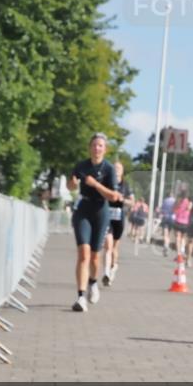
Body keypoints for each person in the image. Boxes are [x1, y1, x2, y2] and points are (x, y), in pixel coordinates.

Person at [67, 134, 120, 312]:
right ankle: (81, 297)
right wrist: (73, 183)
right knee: (83, 253)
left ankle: (93, 282)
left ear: (105, 149)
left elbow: (113, 196)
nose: (97, 148)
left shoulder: (109, 169)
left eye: (100, 146)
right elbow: (71, 186)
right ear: (89, 147)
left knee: (95, 256)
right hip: (83, 209)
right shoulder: (81, 165)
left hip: (101, 211)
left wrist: (96, 184)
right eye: (94, 145)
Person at [103, 161, 134, 286]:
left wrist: (123, 200)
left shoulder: (126, 185)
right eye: (114, 168)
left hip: (119, 217)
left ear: (122, 171)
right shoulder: (107, 182)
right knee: (107, 245)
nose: (116, 170)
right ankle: (106, 272)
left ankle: (113, 267)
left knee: (115, 247)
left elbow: (132, 202)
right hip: (107, 217)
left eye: (119, 168)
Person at [172, 186, 192, 257]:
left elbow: (173, 209)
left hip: (177, 221)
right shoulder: (189, 202)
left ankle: (178, 253)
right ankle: (183, 249)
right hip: (185, 222)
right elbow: (189, 209)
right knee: (183, 237)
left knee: (177, 237)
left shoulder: (177, 201)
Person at [159, 190, 176, 256]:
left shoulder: (165, 200)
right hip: (172, 219)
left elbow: (162, 210)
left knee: (165, 233)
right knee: (169, 233)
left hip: (165, 218)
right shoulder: (175, 201)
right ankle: (167, 244)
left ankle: (166, 245)